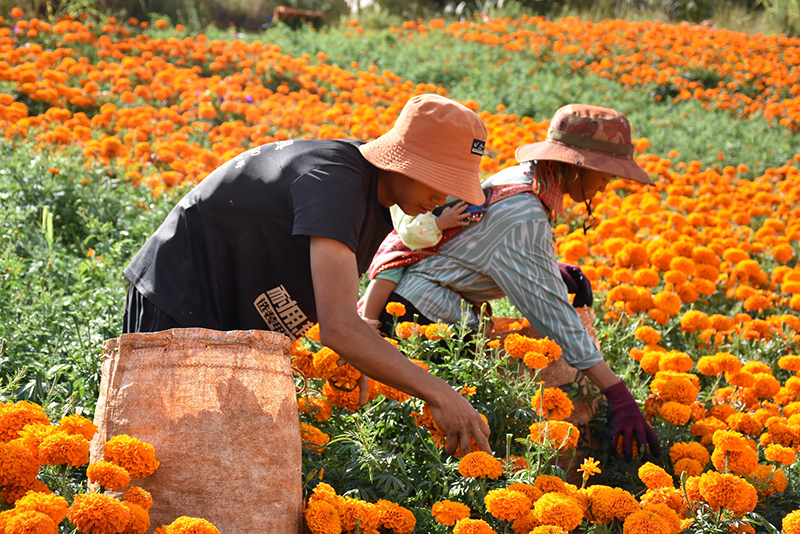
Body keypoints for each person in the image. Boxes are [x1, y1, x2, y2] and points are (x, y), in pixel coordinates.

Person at [122, 93, 492, 456]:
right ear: (406, 160)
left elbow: (338, 309)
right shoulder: (337, 182)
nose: (441, 198)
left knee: (217, 462)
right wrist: (440, 393)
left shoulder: (369, 194)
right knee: (163, 454)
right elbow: (339, 326)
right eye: (440, 180)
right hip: (180, 299)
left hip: (227, 325)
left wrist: (364, 354)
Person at [366, 104, 661, 460]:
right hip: (419, 319)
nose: (606, 185)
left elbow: (481, 245)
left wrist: (550, 269)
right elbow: (556, 319)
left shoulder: (520, 178)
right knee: (426, 448)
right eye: (606, 174)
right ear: (577, 167)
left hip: (428, 307)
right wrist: (618, 394)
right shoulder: (524, 215)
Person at [359, 201, 478, 328]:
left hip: (435, 243)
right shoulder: (409, 199)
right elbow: (409, 231)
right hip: (406, 244)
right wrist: (440, 223)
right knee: (389, 272)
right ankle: (369, 319)